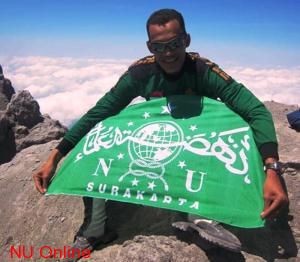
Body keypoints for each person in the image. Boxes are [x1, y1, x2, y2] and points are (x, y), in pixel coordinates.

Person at [33, 8, 288, 259]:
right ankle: (95, 229)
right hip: (156, 136)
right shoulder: (140, 74)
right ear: (149, 47)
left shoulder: (203, 70)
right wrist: (55, 157)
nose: (167, 53)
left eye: (175, 44)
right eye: (158, 47)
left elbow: (255, 111)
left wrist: (272, 169)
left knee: (234, 132)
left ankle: (200, 217)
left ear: (186, 40)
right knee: (99, 138)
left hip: (198, 139)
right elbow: (98, 114)